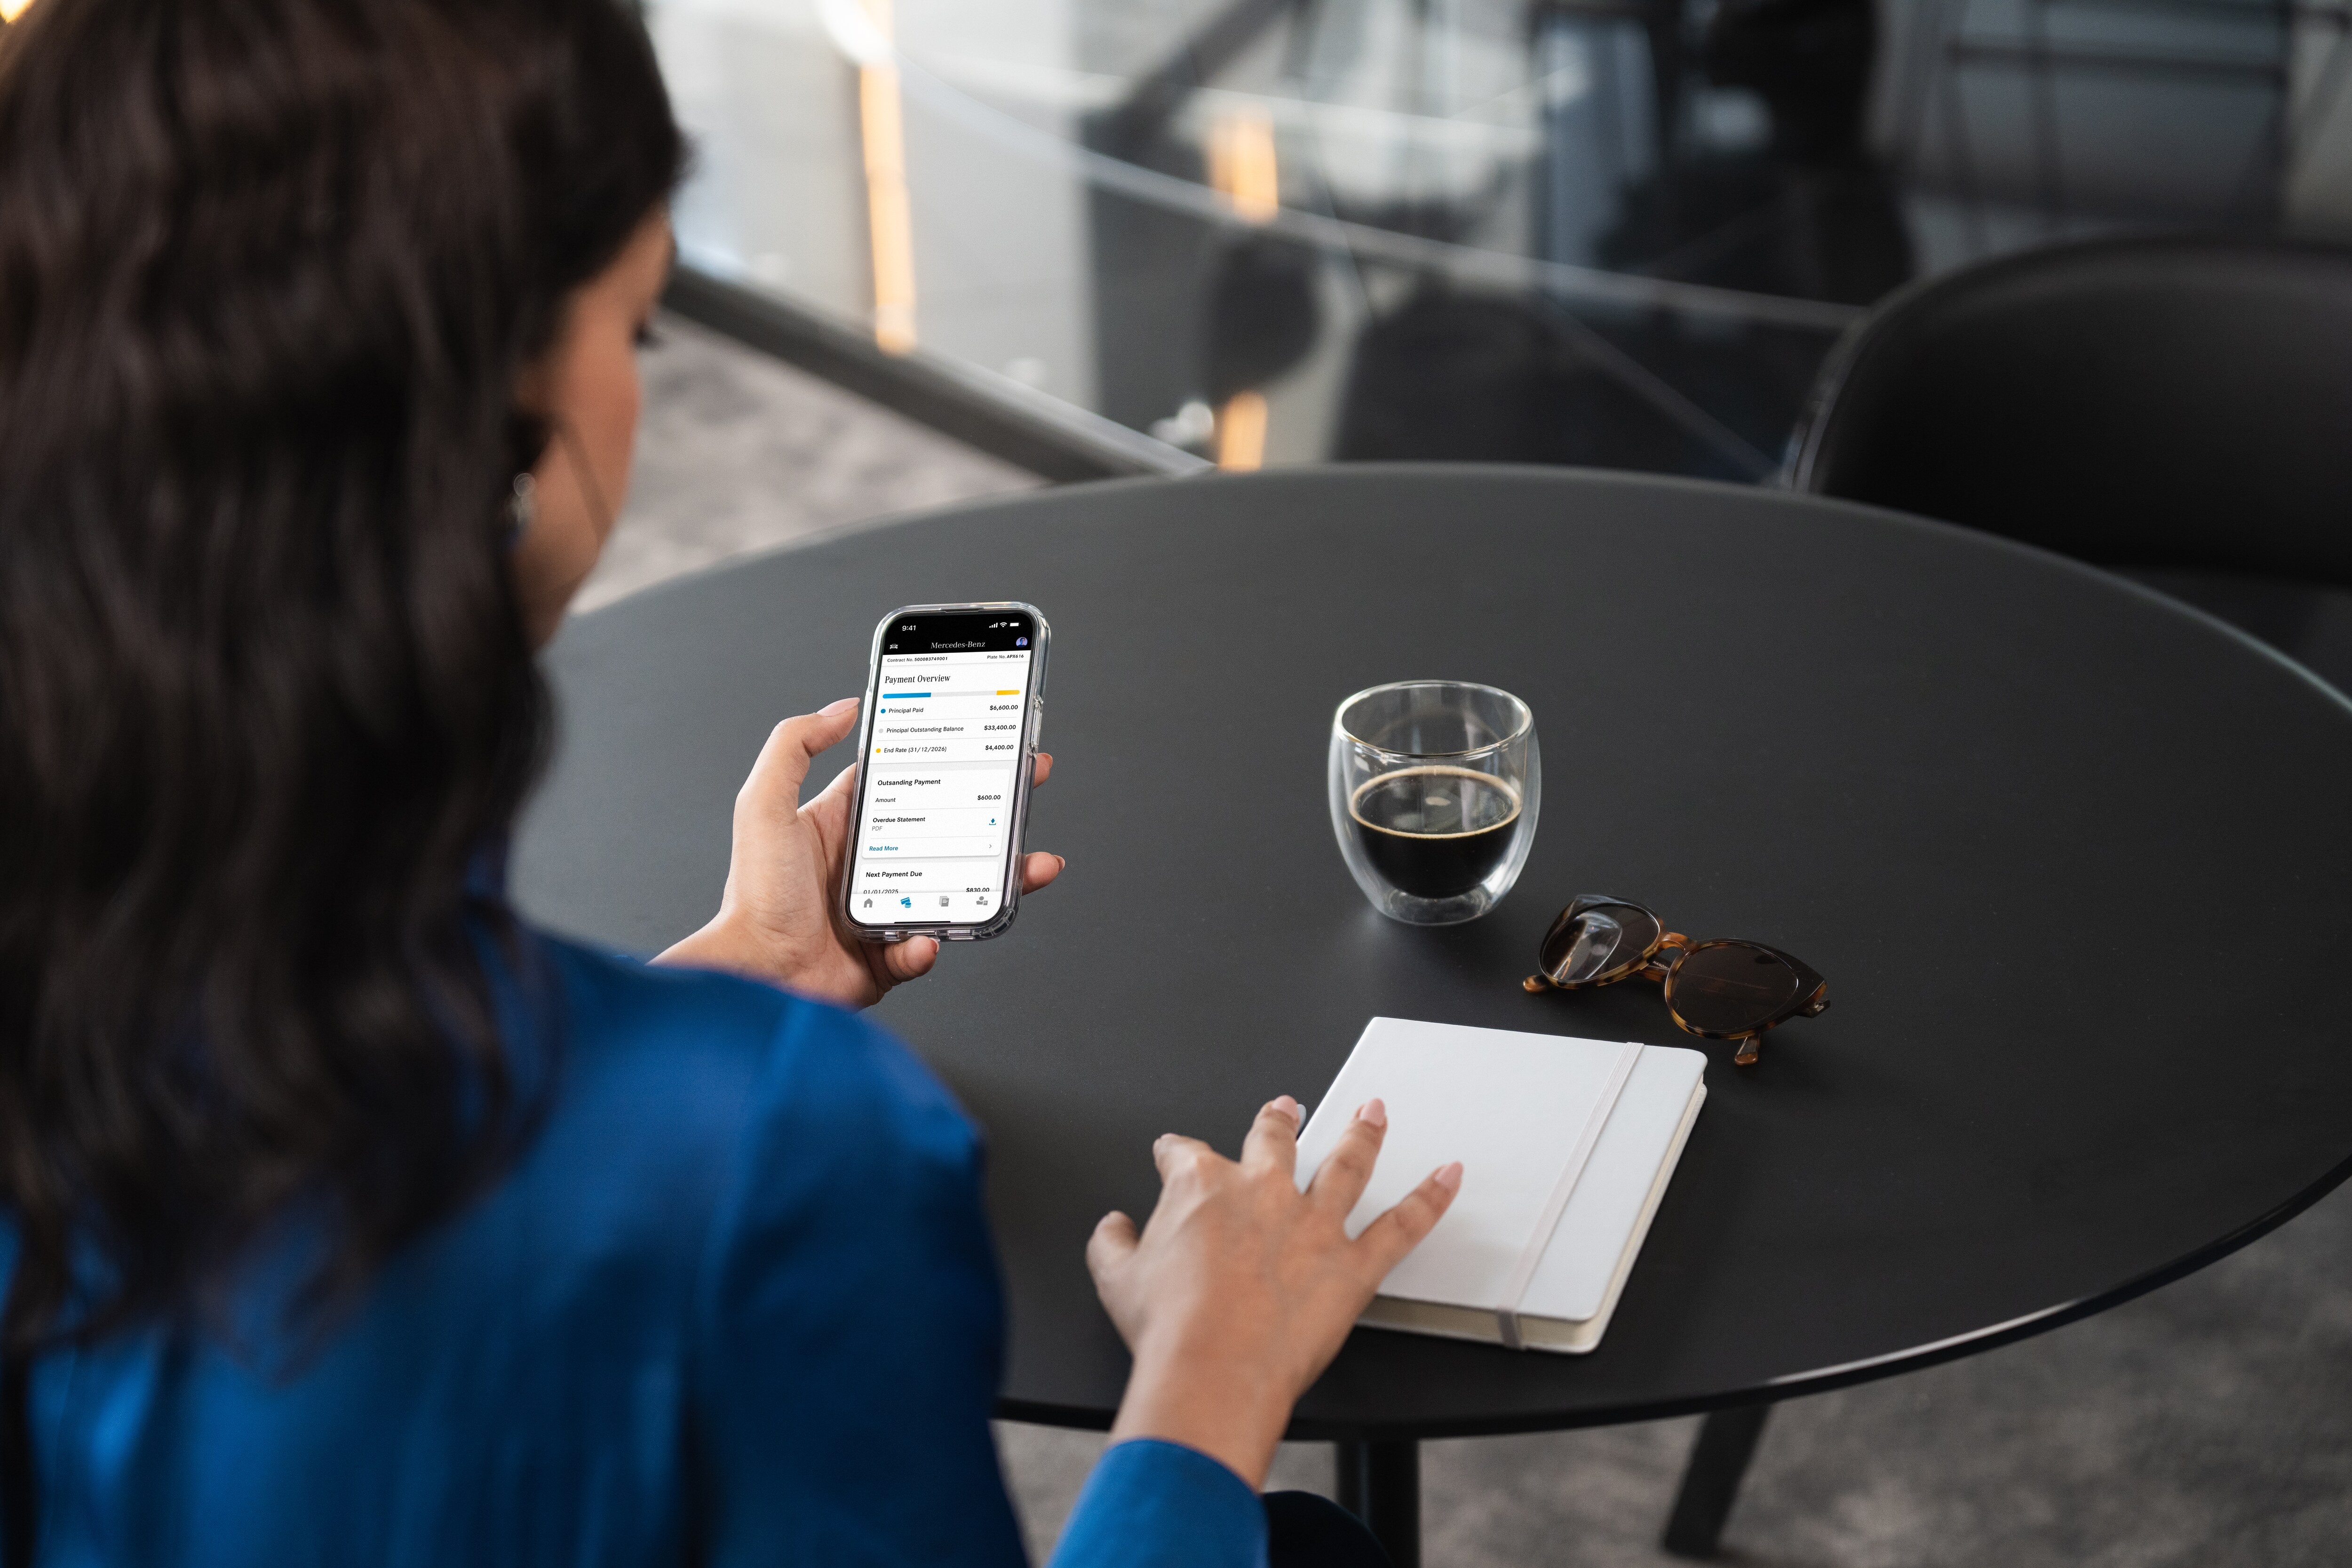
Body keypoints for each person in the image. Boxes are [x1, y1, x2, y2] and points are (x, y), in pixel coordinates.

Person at [0, 2, 1462, 1565]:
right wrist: (1208, 1381)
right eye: (635, 328)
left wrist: (723, 980)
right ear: (498, 439)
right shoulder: (776, 1154)